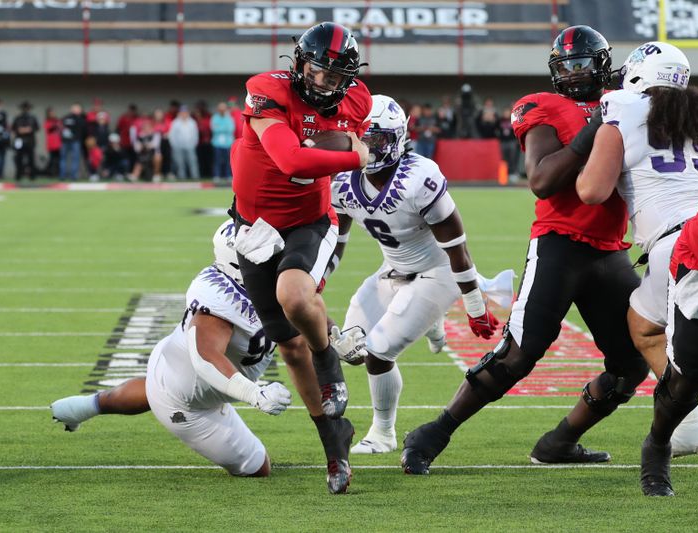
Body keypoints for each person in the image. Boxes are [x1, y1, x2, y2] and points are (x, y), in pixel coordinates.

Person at [401, 26, 650, 474]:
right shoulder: (546, 106)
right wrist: (595, 126)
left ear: (604, 65)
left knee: (632, 362)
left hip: (611, 249)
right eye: (566, 66)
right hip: (560, 242)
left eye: (582, 65)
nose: (574, 75)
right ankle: (432, 433)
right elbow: (540, 180)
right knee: (521, 352)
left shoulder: (628, 100)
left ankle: (560, 441)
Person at [230, 21, 371, 494]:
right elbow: (291, 161)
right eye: (317, 71)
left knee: (294, 294)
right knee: (288, 347)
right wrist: (354, 155)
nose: (323, 83)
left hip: (310, 221)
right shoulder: (265, 90)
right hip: (254, 228)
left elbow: (316, 152)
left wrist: (330, 147)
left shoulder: (357, 101)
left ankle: (329, 363)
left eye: (335, 77)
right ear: (299, 63)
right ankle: (335, 440)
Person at [328, 95, 503, 454]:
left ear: (396, 139)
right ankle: (431, 323)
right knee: (352, 348)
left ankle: (383, 432)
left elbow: (457, 248)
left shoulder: (418, 178)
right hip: (392, 269)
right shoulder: (343, 179)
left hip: (437, 272)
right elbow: (335, 240)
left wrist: (474, 305)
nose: (367, 147)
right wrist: (315, 281)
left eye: (375, 139)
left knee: (378, 352)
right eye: (361, 137)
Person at [51, 220, 291, 478]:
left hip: (172, 364)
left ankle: (80, 407)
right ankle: (82, 406)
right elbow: (206, 358)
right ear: (238, 264)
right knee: (258, 467)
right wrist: (255, 394)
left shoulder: (243, 282)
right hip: (188, 402)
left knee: (155, 387)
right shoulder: (222, 303)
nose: (274, 259)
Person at [576, 42, 698, 460]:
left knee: (647, 327)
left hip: (677, 244)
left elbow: (591, 191)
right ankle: (689, 426)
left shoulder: (621, 110)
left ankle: (687, 427)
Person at [168, 105, 200, 180]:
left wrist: (194, 144)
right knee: (180, 163)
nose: (184, 114)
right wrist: (174, 145)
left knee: (192, 161)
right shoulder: (175, 122)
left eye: (185, 112)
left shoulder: (192, 122)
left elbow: (195, 134)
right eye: (182, 112)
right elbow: (172, 135)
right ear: (179, 113)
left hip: (190, 145)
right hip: (178, 146)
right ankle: (182, 177)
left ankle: (195, 177)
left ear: (188, 113)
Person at [11, 101, 39, 181]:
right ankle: (18, 175)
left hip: (30, 140)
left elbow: (35, 128)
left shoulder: (33, 118)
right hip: (19, 140)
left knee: (31, 159)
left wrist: (27, 130)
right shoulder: (18, 118)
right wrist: (23, 130)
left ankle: (32, 176)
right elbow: (14, 128)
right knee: (18, 158)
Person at [60, 103, 86, 181]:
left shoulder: (66, 118)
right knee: (72, 158)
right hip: (73, 141)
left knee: (69, 158)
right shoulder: (79, 119)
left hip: (69, 141)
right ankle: (70, 176)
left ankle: (67, 176)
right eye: (76, 109)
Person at [211, 101, 235, 182]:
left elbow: (231, 129)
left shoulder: (229, 118)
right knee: (217, 161)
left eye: (223, 108)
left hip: (228, 143)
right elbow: (214, 129)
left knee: (228, 161)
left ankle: (228, 176)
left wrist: (220, 127)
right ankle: (217, 176)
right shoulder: (215, 118)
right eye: (220, 108)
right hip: (217, 143)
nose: (222, 110)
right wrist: (224, 128)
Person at [43, 107, 62, 177]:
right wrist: (55, 124)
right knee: (52, 160)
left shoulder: (57, 120)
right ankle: (51, 174)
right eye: (51, 113)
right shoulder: (47, 121)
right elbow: (49, 129)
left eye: (53, 112)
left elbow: (61, 128)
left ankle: (58, 173)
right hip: (51, 144)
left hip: (58, 143)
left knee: (59, 160)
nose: (52, 114)